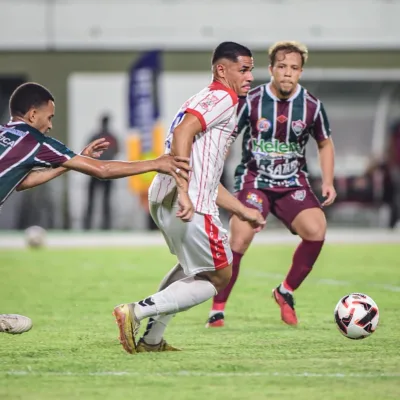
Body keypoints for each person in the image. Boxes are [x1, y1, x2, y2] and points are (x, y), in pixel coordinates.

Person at [0, 82, 192, 334]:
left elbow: (23, 181)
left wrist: (69, 162)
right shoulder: (36, 141)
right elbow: (102, 170)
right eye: (49, 117)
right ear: (33, 115)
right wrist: (155, 163)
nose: (50, 125)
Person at [112, 41, 266, 354]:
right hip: (188, 200)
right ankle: (136, 311)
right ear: (222, 70)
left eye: (251, 69)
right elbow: (183, 134)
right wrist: (184, 192)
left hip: (169, 195)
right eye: (244, 69)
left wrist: (243, 211)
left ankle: (152, 340)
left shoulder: (204, 97)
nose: (250, 76)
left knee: (192, 269)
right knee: (221, 276)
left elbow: (206, 174)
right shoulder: (223, 96)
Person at [205, 41, 336, 328]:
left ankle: (285, 292)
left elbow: (325, 143)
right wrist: (214, 170)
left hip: (292, 182)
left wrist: (328, 181)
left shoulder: (312, 106)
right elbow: (227, 137)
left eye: (294, 68)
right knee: (239, 238)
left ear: (301, 72)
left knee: (316, 230)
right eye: (282, 67)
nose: (287, 73)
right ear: (271, 69)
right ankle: (217, 308)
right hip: (255, 181)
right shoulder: (251, 100)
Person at [84, 114, 120, 230]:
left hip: (94, 170)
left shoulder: (96, 137)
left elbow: (86, 152)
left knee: (94, 200)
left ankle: (89, 225)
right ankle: (104, 225)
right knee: (104, 200)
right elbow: (117, 151)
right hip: (105, 171)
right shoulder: (111, 137)